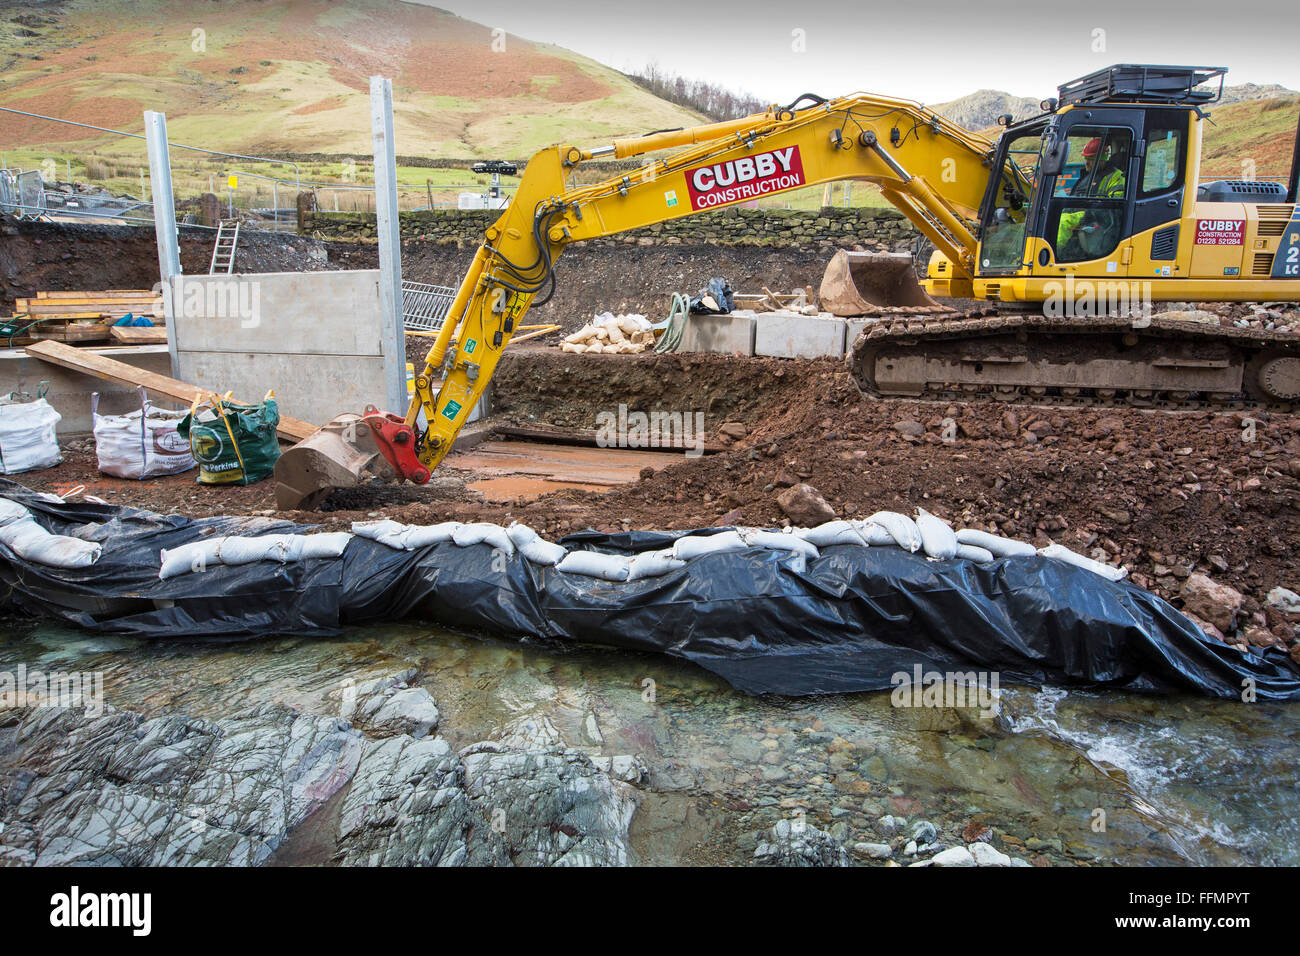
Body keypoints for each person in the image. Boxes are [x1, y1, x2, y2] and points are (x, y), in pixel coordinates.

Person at [1056, 136, 1127, 257]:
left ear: (1101, 159)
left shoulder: (1116, 177)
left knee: (1063, 222)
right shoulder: (1087, 176)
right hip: (1082, 213)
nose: (1086, 162)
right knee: (1054, 217)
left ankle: (1055, 254)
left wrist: (1090, 212)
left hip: (1097, 217)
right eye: (1086, 158)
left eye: (1090, 159)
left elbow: (1115, 206)